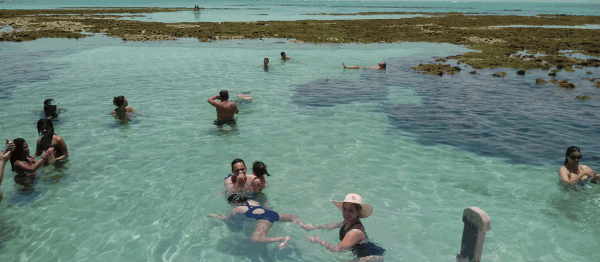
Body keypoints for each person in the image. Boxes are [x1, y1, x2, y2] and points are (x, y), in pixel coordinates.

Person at [209, 194, 312, 249]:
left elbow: (228, 220)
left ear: (234, 203)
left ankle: (282, 239)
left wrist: (217, 217)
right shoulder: (253, 201)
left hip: (265, 220)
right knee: (292, 217)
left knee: (255, 239)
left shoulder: (236, 210)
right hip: (272, 214)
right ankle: (304, 225)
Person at [306, 193, 385, 261]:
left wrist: (319, 241)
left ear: (358, 212)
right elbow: (333, 225)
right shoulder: (348, 221)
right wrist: (315, 227)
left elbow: (338, 250)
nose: (346, 213)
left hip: (371, 258)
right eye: (344, 209)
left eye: (351, 210)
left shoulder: (355, 232)